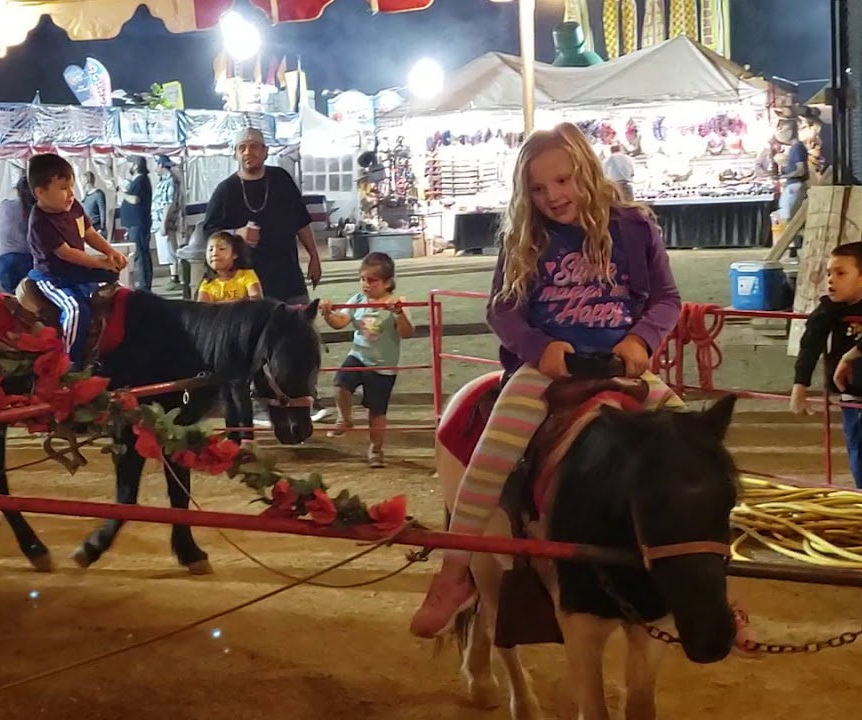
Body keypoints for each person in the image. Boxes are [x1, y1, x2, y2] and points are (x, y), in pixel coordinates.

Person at [409, 122, 684, 639]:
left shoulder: (633, 226)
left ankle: (709, 582)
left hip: (621, 366)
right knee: (489, 461)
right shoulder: (524, 237)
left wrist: (641, 341)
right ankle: (454, 573)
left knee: (694, 448)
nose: (552, 196)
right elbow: (502, 310)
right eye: (538, 188)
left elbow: (667, 298)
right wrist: (540, 349)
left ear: (586, 171)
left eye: (563, 181)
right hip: (547, 371)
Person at [201, 126, 327, 422]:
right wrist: (236, 233)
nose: (249, 152)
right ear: (235, 153)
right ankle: (260, 402)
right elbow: (208, 232)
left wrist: (314, 256)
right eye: (242, 147)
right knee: (254, 346)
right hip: (249, 283)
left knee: (300, 338)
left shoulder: (281, 179)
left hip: (287, 274)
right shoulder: (226, 190)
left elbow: (301, 220)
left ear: (266, 151)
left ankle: (307, 396)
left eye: (255, 146)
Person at [790, 242, 862, 559]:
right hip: (853, 404)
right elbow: (811, 341)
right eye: (829, 273)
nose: (830, 280)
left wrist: (852, 353)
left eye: (840, 273)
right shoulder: (830, 309)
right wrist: (799, 383)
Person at [25, 153, 128, 369]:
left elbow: (89, 233)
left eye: (71, 186)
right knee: (76, 309)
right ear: (40, 192)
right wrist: (100, 262)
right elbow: (67, 253)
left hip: (78, 273)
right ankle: (68, 363)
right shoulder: (40, 222)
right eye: (63, 188)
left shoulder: (74, 207)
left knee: (118, 296)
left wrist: (110, 252)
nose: (71, 193)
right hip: (54, 277)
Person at [318, 252, 415, 469]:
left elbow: (407, 333)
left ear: (388, 282)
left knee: (377, 412)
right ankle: (345, 418)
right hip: (358, 356)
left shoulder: (397, 303)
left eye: (372, 280)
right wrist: (327, 313)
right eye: (363, 279)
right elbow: (340, 321)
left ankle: (376, 450)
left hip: (383, 367)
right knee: (340, 383)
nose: (366, 284)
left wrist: (398, 313)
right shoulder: (357, 300)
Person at [196, 230, 262, 445]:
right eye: (211, 249)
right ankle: (233, 434)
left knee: (240, 388)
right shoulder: (207, 284)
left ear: (235, 254)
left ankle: (247, 435)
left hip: (242, 343)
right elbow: (200, 312)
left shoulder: (247, 276)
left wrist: (220, 308)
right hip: (218, 346)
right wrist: (236, 306)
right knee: (224, 390)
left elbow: (256, 301)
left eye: (222, 248)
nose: (215, 253)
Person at [0, 176, 36, 294]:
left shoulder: (4, 205)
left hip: (3, 258)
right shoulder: (35, 209)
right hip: (27, 258)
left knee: (12, 302)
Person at [120, 157, 152, 290]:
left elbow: (135, 199)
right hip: (135, 224)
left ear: (136, 165)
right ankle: (144, 284)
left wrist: (122, 193)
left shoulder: (141, 180)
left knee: (141, 254)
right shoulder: (138, 181)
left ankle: (145, 286)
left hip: (138, 223)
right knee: (140, 254)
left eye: (130, 163)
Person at [152, 155, 183, 292]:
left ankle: (175, 277)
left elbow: (169, 204)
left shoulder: (170, 180)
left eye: (156, 164)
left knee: (170, 249)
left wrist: (164, 223)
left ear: (161, 165)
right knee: (167, 250)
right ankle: (174, 275)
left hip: (166, 222)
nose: (155, 168)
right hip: (159, 221)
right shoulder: (163, 180)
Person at [82, 171, 108, 236]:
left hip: (96, 227)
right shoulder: (86, 195)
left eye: (82, 179)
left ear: (87, 180)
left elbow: (102, 212)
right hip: (88, 227)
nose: (81, 181)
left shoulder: (98, 194)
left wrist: (101, 228)